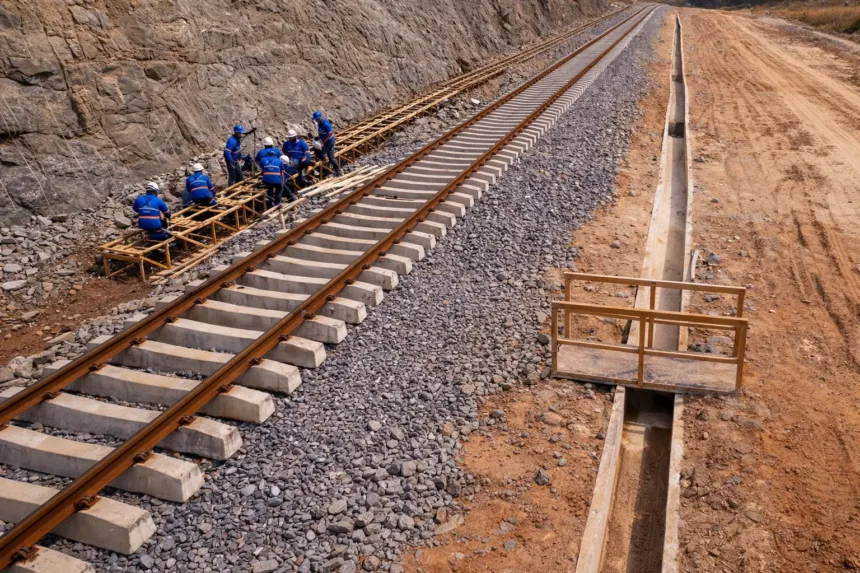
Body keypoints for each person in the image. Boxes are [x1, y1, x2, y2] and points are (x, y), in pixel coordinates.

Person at [312, 111, 341, 177]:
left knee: (330, 156)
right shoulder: (319, 123)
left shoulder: (326, 124)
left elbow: (330, 134)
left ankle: (338, 171)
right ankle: (325, 158)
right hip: (324, 141)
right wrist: (319, 137)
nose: (316, 121)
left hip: (329, 142)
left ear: (319, 118)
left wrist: (323, 142)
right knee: (319, 151)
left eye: (316, 119)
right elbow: (321, 132)